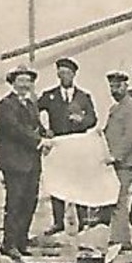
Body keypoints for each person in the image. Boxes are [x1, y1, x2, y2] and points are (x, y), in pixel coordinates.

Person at [37, 58, 99, 233]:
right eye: (61, 73)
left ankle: (82, 221)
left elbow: (93, 119)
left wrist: (82, 120)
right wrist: (44, 131)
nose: (64, 76)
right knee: (57, 183)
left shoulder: (83, 97)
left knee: (78, 182)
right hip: (58, 145)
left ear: (74, 74)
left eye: (67, 73)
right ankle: (58, 222)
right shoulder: (50, 96)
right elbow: (33, 112)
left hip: (77, 146)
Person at [0, 67, 47, 257]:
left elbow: (37, 126)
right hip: (14, 162)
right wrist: (38, 141)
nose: (25, 84)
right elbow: (14, 129)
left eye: (28, 81)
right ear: (13, 82)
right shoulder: (5, 105)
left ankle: (21, 241)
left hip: (32, 162)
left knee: (29, 202)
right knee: (14, 203)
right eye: (21, 80)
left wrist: (48, 136)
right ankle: (10, 244)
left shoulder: (32, 104)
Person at [101, 71, 132, 247]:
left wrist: (116, 155)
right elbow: (109, 132)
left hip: (126, 163)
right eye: (111, 86)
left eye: (118, 86)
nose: (114, 90)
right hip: (117, 162)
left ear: (126, 86)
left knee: (119, 199)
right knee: (116, 199)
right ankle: (120, 238)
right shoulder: (115, 108)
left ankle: (119, 240)